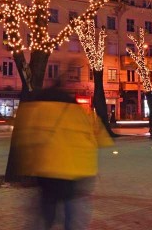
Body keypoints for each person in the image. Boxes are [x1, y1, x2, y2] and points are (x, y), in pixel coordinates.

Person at [12, 86, 113, 230]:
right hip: (80, 174)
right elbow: (103, 139)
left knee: (43, 215)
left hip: (47, 174)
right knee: (76, 215)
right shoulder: (83, 113)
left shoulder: (33, 110)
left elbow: (23, 142)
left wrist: (26, 170)